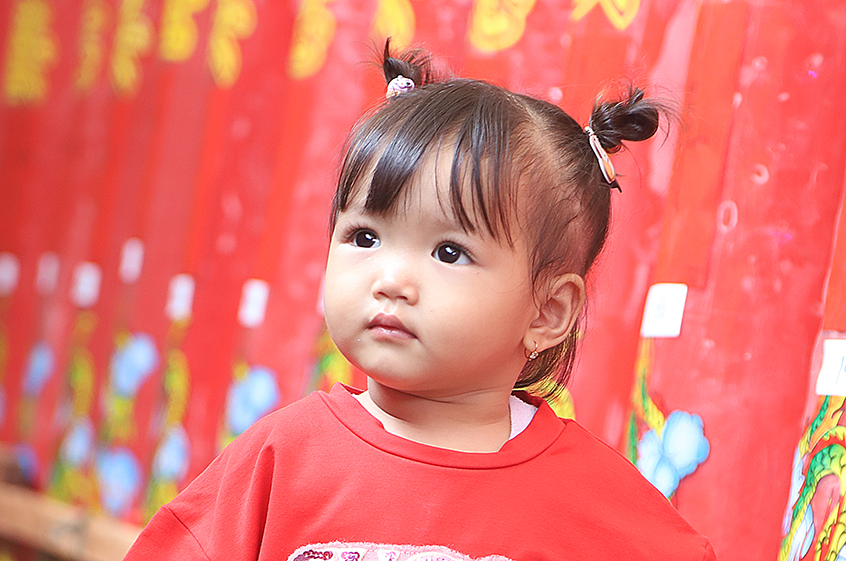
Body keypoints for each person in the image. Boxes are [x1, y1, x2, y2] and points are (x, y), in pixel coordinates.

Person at [123, 43, 716, 560]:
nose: (392, 280)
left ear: (547, 313)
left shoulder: (592, 499)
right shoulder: (284, 457)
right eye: (364, 237)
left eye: (449, 253)